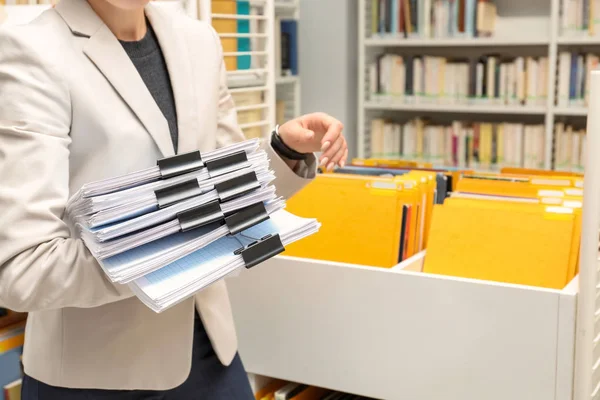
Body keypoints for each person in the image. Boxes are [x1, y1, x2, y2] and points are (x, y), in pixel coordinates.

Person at [0, 0, 348, 398]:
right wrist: (173, 254)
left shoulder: (196, 40)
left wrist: (283, 152)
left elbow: (227, 186)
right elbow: (22, 269)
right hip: (98, 373)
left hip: (210, 346)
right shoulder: (31, 48)